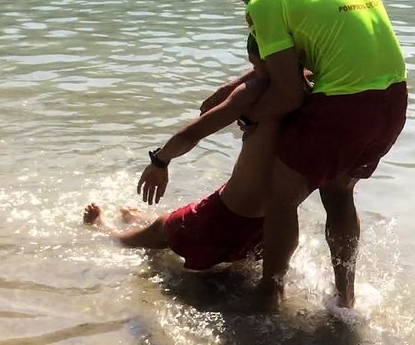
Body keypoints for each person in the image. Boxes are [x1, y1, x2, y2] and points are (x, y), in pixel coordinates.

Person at [200, 0, 408, 310]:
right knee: (339, 191)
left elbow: (288, 93)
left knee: (281, 196)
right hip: (393, 101)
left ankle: (270, 292)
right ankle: (345, 298)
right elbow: (303, 57)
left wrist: (247, 117)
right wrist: (233, 90)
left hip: (345, 106)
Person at [85, 36, 278, 272]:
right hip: (269, 227)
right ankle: (138, 220)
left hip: (221, 219)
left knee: (140, 236)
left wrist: (159, 161)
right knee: (167, 226)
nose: (255, 71)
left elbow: (191, 134)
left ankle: (102, 226)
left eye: (255, 64)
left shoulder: (256, 89)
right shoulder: (315, 88)